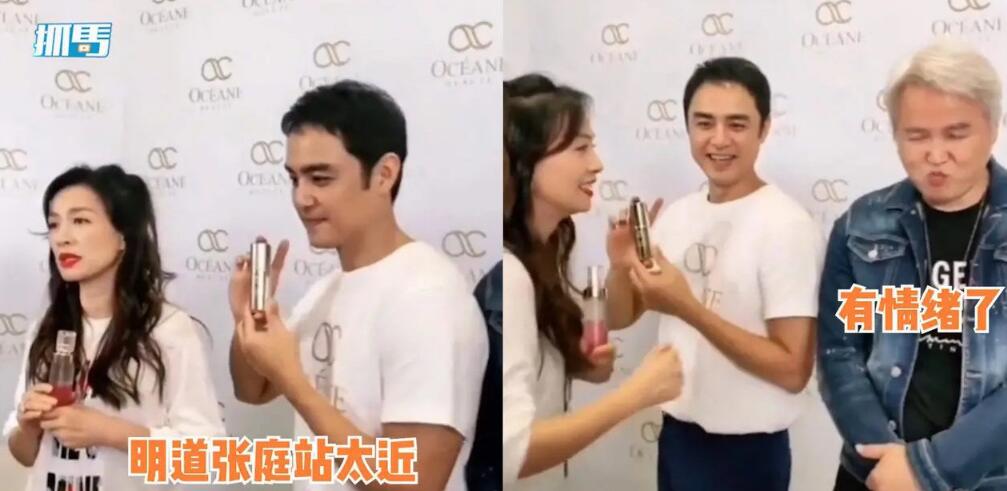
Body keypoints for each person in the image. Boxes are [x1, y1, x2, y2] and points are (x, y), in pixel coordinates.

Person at [227, 80, 489, 491]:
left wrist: (295, 382)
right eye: (294, 179)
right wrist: (248, 317)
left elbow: (414, 485)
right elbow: (252, 388)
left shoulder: (428, 297)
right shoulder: (326, 290)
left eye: (320, 178)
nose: (302, 198)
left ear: (385, 174)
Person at [607, 57, 824, 491]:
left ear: (764, 129)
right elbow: (619, 316)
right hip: (677, 435)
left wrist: (688, 307)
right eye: (704, 123)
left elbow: (792, 369)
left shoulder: (786, 225)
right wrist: (620, 264)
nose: (719, 140)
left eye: (737, 125)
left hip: (746, 453)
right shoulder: (678, 214)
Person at [820, 40, 1007, 491]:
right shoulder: (862, 225)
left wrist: (928, 470)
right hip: (876, 473)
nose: (935, 155)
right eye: (917, 136)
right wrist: (887, 464)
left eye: (956, 135)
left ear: (993, 127)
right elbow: (840, 353)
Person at [502, 73, 683, 491]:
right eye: (581, 148)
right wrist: (637, 394)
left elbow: (609, 318)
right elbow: (514, 450)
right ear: (526, 161)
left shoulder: (544, 254)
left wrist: (620, 266)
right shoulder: (510, 274)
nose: (597, 164)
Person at [3, 164, 225, 491]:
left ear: (123, 235)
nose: (62, 237)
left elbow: (205, 457)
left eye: (80, 221)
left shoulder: (166, 329)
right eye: (54, 224)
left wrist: (110, 433)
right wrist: (28, 427)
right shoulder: (46, 329)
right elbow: (25, 454)